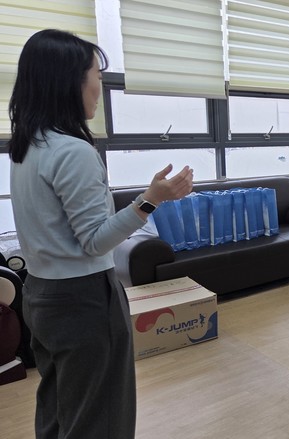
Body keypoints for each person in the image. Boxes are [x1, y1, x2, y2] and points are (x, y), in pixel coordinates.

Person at [8, 29, 194, 439]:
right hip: (83, 299)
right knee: (101, 418)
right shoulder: (73, 151)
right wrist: (151, 200)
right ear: (70, 81)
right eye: (97, 75)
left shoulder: (28, 146)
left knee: (59, 407)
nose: (100, 87)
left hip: (40, 294)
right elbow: (95, 241)